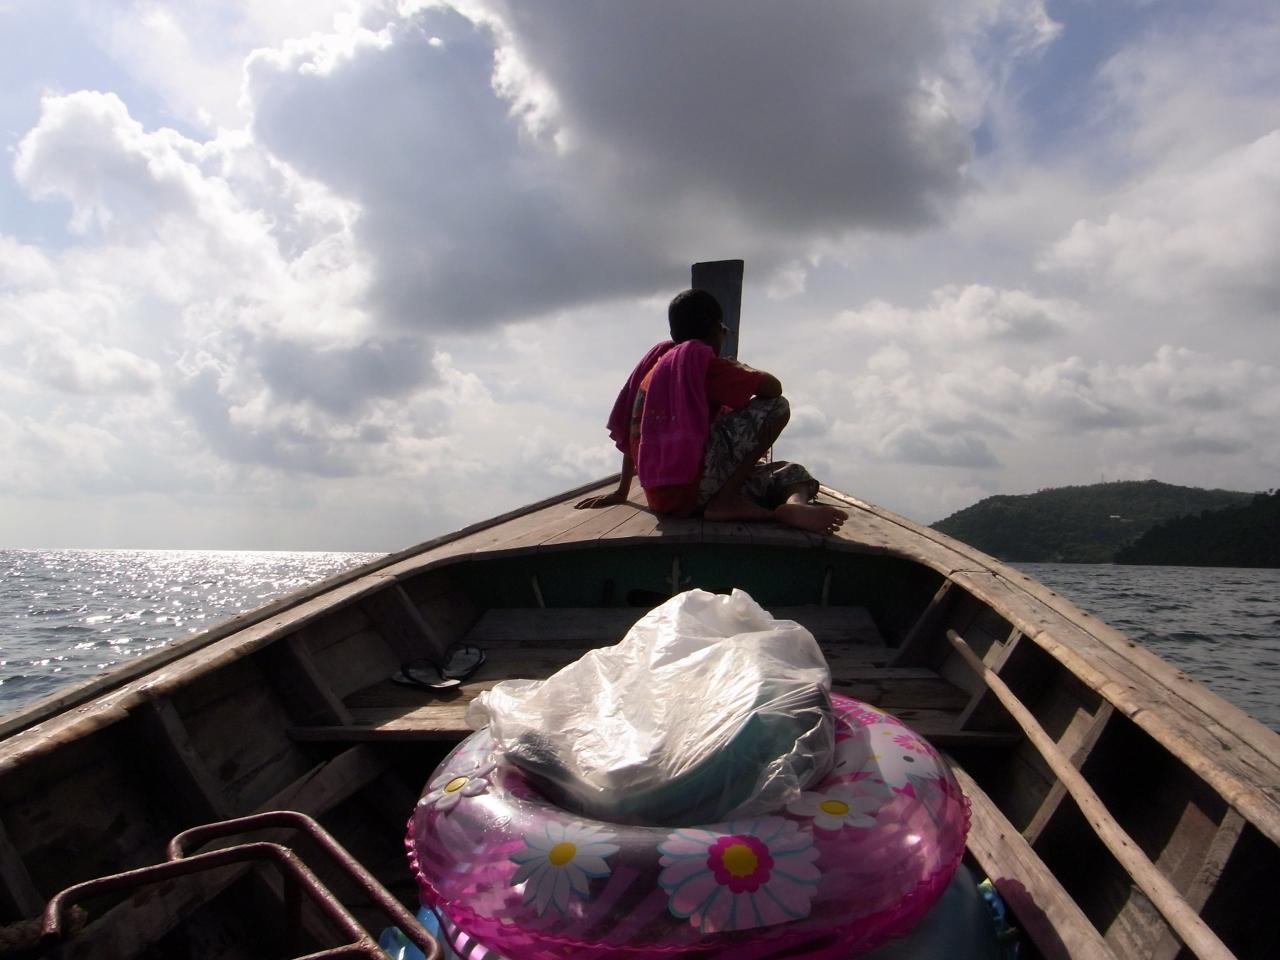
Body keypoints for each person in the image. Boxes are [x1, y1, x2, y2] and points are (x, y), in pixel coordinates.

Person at [576, 289, 848, 535]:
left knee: (791, 472)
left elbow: (633, 431)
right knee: (778, 406)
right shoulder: (701, 363)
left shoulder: (655, 368)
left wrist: (623, 491)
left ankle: (794, 504)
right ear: (716, 328)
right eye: (723, 331)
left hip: (663, 497)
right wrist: (741, 367)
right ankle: (727, 501)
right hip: (693, 489)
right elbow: (773, 388)